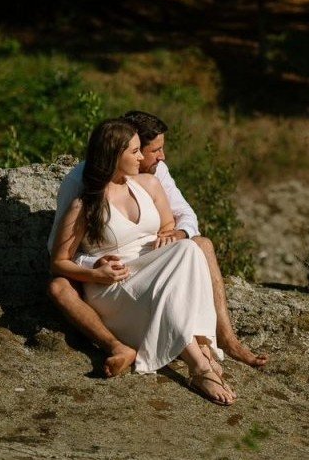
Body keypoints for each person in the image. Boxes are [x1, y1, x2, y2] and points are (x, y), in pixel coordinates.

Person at [47, 111, 267, 378]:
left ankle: (225, 340)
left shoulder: (154, 173)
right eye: (152, 151)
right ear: (121, 152)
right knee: (59, 286)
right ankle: (182, 356)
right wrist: (96, 266)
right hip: (108, 268)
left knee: (199, 245)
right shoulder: (78, 184)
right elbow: (57, 250)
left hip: (151, 256)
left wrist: (174, 234)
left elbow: (184, 215)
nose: (161, 157)